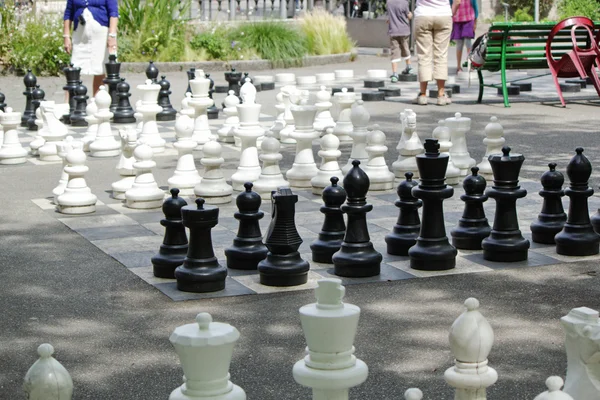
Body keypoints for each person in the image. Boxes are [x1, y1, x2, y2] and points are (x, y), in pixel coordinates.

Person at [63, 0, 119, 95]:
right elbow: (68, 13)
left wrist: (112, 35)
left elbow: (113, 12)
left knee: (99, 70)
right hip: (80, 35)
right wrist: (66, 36)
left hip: (101, 35)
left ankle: (97, 103)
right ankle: (71, 105)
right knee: (74, 71)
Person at [413, 0, 460, 106]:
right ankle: (441, 95)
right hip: (443, 15)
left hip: (423, 15)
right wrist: (449, 13)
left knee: (424, 55)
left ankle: (423, 95)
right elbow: (458, 2)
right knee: (441, 55)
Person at [387, 0, 413, 83]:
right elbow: (408, 15)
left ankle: (395, 74)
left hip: (393, 31)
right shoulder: (404, 2)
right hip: (404, 30)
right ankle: (409, 67)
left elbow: (389, 17)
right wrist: (411, 15)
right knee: (406, 48)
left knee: (394, 52)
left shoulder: (389, 2)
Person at [450, 0, 478, 72]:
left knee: (468, 42)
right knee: (459, 44)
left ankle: (470, 64)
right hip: (457, 20)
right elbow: (450, 5)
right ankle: (458, 66)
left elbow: (475, 6)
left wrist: (475, 22)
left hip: (468, 19)